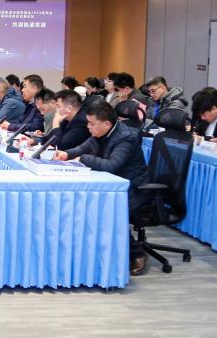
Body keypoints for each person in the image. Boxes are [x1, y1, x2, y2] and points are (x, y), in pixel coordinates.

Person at [56, 100, 150, 274]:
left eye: (92, 124)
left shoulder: (125, 138)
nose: (88, 127)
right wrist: (66, 154)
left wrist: (83, 159)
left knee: (105, 208)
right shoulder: (101, 133)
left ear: (106, 124)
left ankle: (137, 253)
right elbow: (83, 148)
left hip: (134, 189)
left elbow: (111, 166)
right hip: (114, 185)